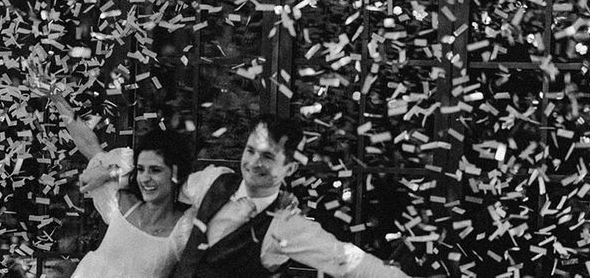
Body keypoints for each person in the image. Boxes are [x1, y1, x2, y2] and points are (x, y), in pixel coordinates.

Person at [171, 114, 412, 278]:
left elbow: (346, 261)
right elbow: (165, 194)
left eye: (267, 157)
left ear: (289, 169)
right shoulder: (213, 180)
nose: (254, 162)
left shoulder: (285, 225)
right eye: (250, 150)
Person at [49, 92, 195, 278]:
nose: (145, 178)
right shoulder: (122, 202)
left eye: (156, 170)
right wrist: (56, 97)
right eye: (141, 169)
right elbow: (88, 143)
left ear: (175, 173)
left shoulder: (182, 230)